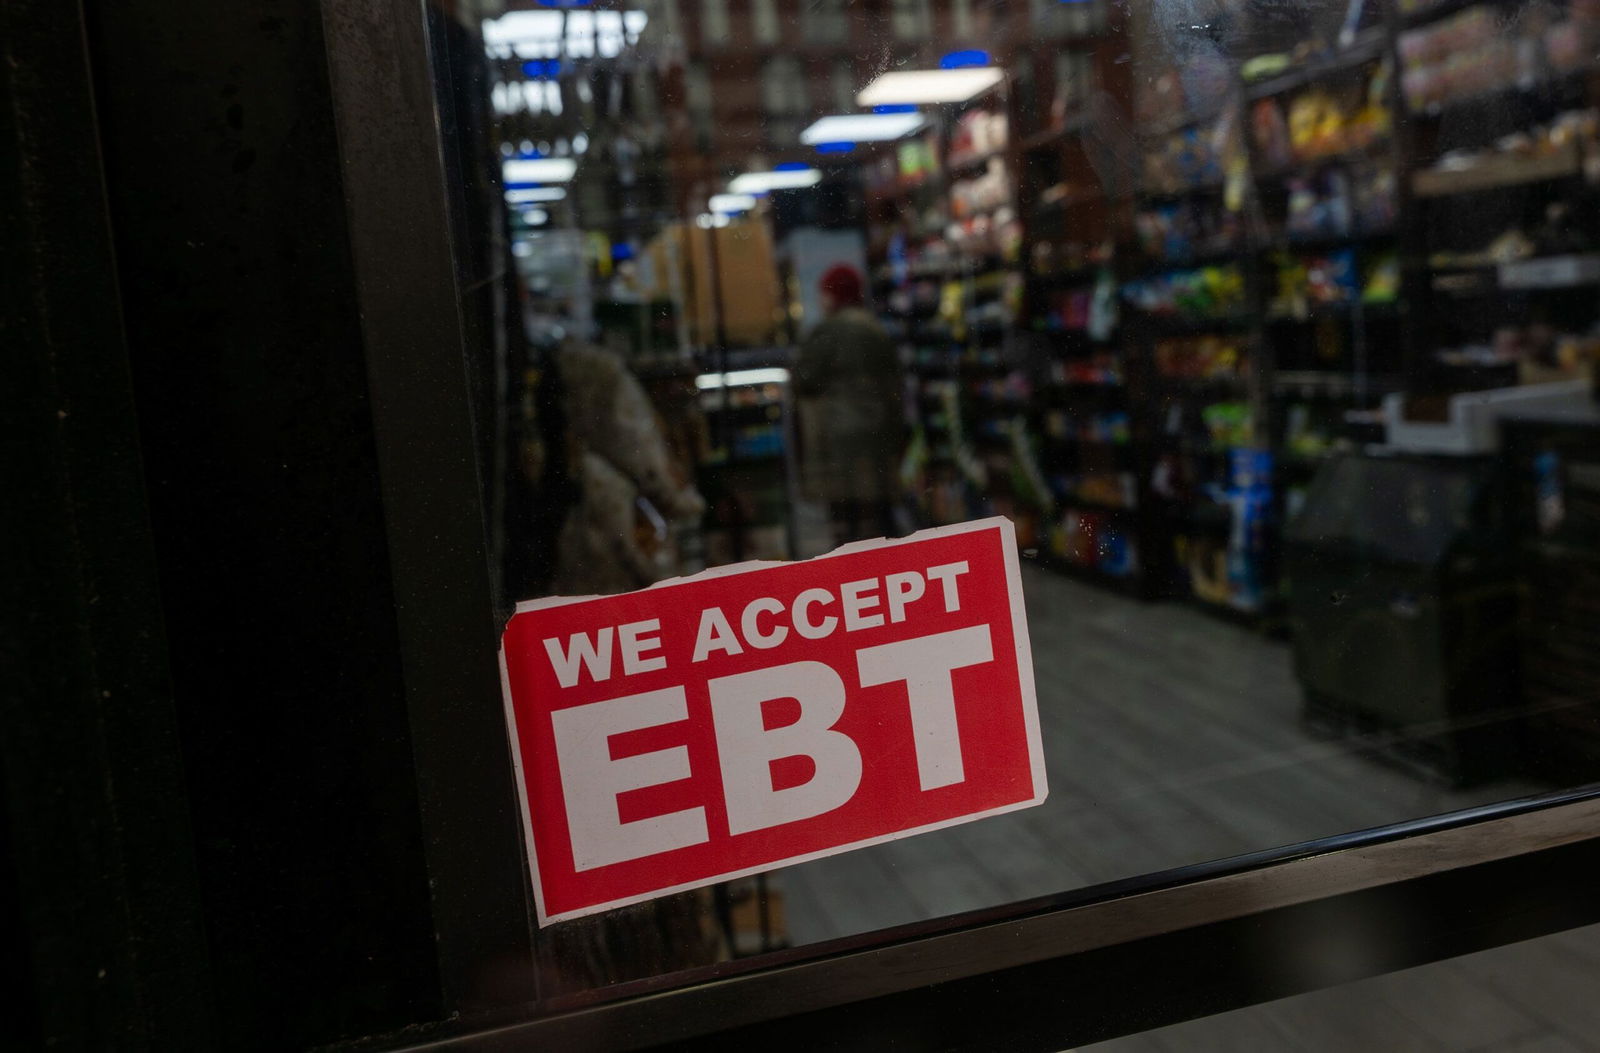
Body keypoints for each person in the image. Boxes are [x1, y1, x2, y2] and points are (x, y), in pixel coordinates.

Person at [792, 263, 905, 544]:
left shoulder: (829, 331)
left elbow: (804, 378)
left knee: (847, 518)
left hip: (839, 436)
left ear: (834, 295)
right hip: (878, 431)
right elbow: (894, 383)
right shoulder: (876, 329)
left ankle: (854, 573)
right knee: (879, 513)